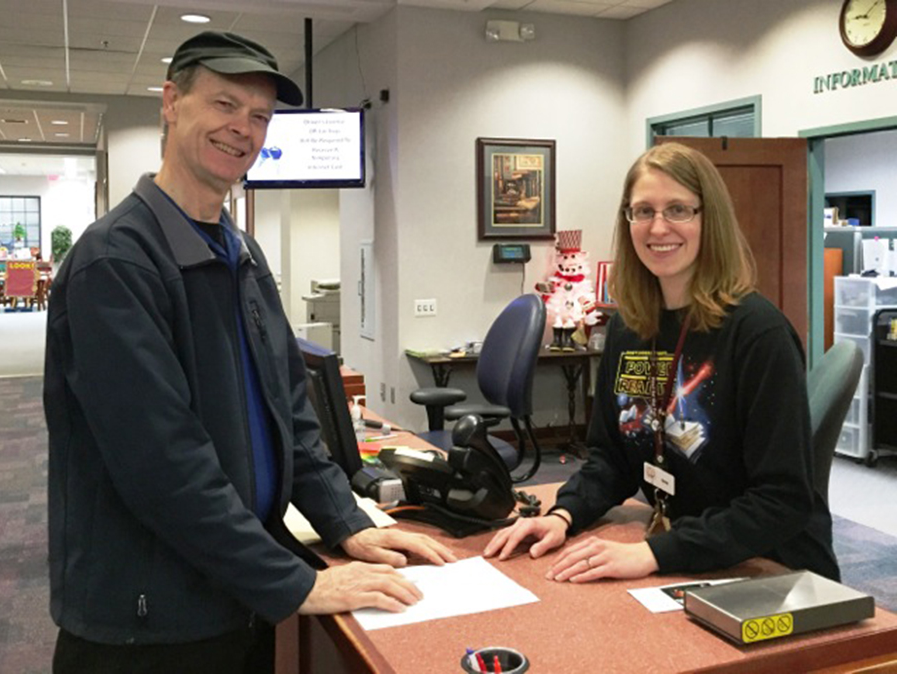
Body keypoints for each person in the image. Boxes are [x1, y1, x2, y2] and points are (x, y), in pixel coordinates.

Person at [44, 31, 455, 674]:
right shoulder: (117, 260)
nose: (244, 128)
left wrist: (350, 523)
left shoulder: (239, 253)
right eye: (224, 104)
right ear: (172, 101)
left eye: (259, 116)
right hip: (148, 622)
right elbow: (163, 465)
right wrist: (297, 583)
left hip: (232, 590)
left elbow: (291, 415)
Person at [484, 142, 839, 584]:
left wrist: (654, 553)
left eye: (678, 209)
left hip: (771, 566)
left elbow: (781, 501)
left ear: (710, 219)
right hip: (684, 553)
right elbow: (610, 458)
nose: (658, 227)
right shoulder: (630, 325)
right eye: (643, 211)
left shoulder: (758, 334)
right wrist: (563, 514)